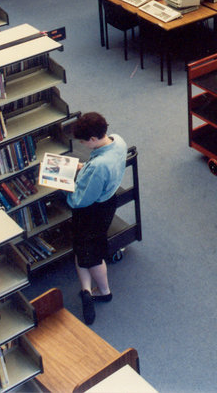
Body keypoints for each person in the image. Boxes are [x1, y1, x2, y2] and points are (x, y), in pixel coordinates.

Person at [66, 112, 128, 325]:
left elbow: (79, 201)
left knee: (91, 253)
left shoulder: (99, 167)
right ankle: (86, 290)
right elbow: (105, 167)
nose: (82, 144)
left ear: (92, 139)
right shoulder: (117, 140)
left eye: (83, 141)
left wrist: (63, 188)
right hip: (108, 203)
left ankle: (104, 291)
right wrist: (85, 168)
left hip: (92, 211)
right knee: (82, 248)